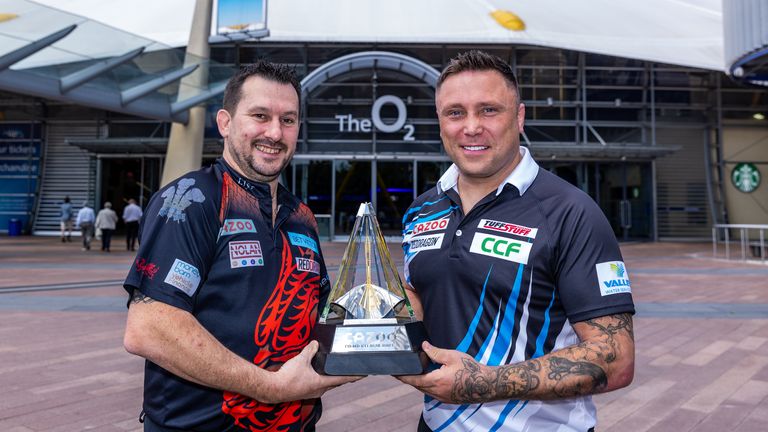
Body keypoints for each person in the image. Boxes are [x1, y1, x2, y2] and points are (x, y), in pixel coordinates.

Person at [398, 51, 635, 432]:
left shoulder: (571, 212)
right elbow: (418, 290)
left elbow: (616, 358)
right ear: (440, 122)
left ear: (519, 117)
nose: (471, 127)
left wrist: (480, 384)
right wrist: (389, 338)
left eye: (489, 110)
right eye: (455, 112)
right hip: (436, 424)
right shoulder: (421, 210)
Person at [122, 61, 358, 432]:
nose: (275, 133)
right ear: (225, 122)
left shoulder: (302, 217)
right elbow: (149, 327)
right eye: (260, 116)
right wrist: (271, 388)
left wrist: (371, 338)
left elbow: (320, 316)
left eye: (289, 120)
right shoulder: (192, 200)